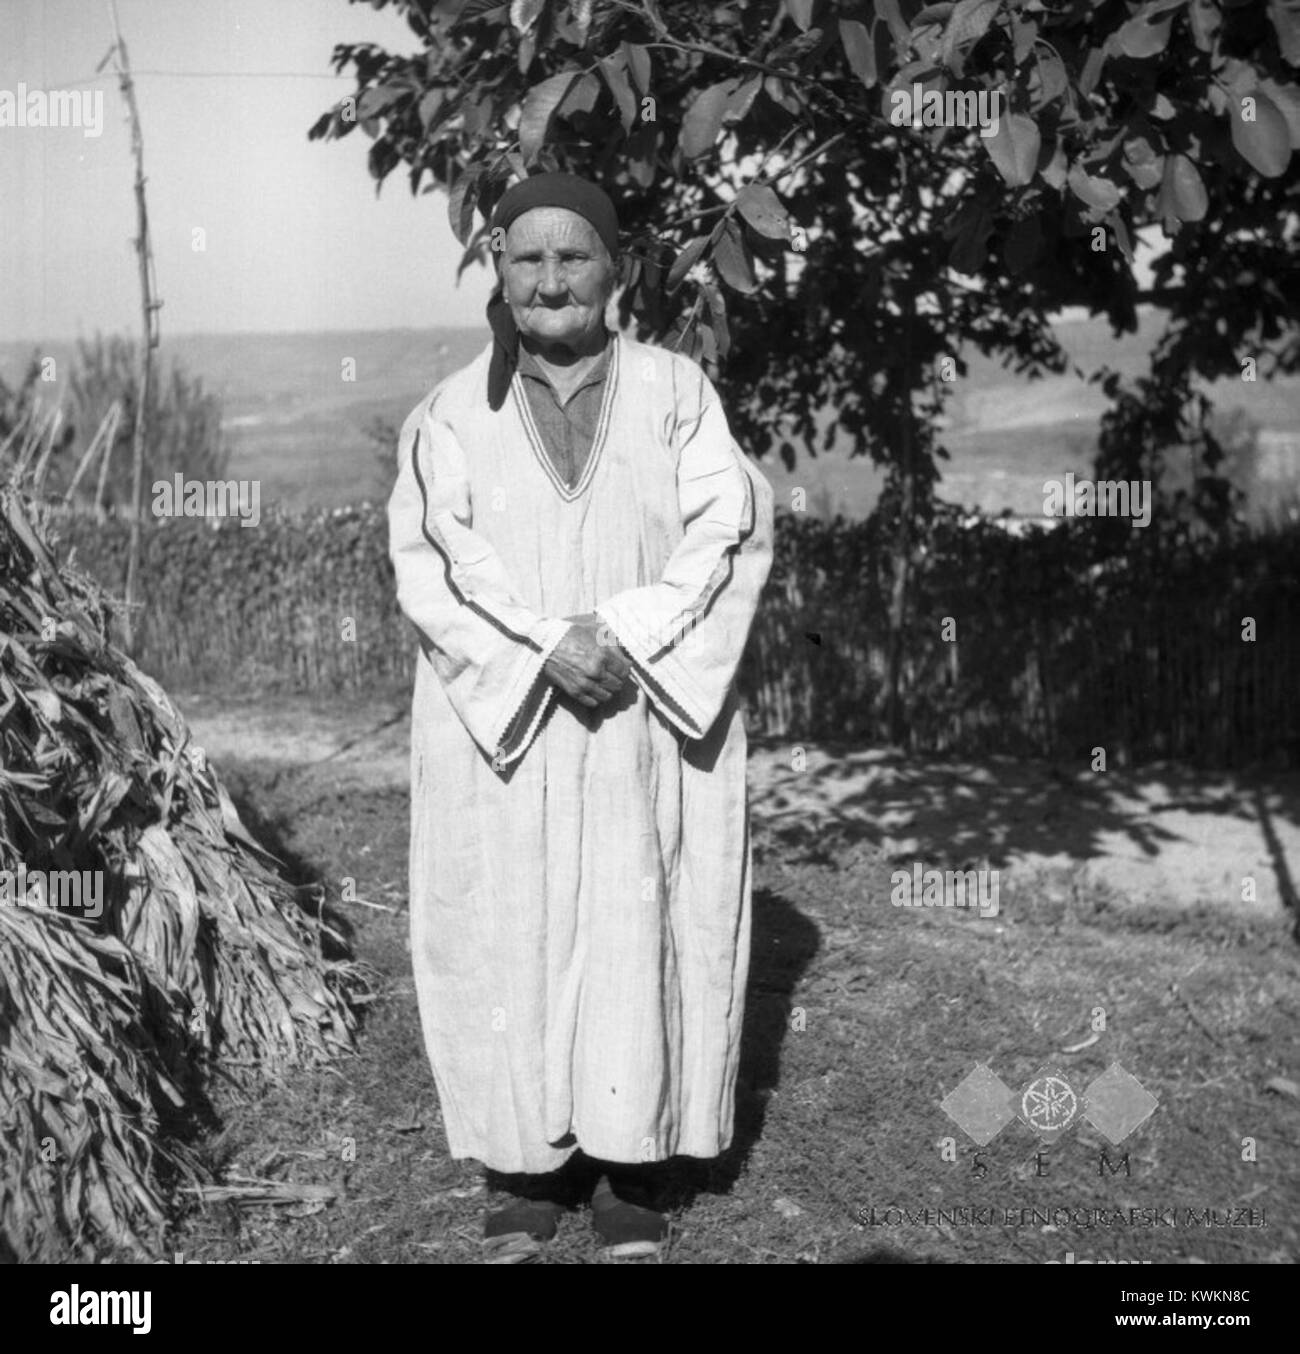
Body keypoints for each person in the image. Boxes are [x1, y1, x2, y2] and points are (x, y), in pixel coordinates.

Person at [387, 171, 774, 1261]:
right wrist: (546, 646)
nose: (551, 278)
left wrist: (625, 634)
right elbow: (434, 563)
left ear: (616, 270)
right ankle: (526, 1168)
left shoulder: (677, 392)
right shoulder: (452, 412)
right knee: (507, 925)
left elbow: (730, 529)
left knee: (635, 916)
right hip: (502, 721)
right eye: (527, 259)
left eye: (573, 256)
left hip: (640, 709)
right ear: (500, 276)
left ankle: (629, 1172)